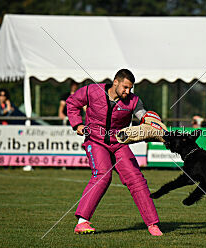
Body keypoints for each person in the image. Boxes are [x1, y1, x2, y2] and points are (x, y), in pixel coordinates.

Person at [66, 69, 162, 236]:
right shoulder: (91, 90)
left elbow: (142, 116)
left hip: (119, 142)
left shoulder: (133, 101)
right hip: (96, 141)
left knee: (136, 179)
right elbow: (72, 103)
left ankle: (152, 224)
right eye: (125, 87)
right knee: (103, 175)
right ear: (115, 82)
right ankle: (82, 222)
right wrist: (77, 124)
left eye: (130, 89)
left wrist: (151, 122)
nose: (128, 92)